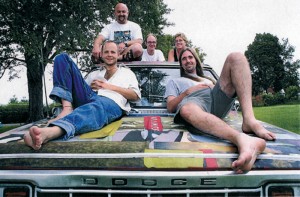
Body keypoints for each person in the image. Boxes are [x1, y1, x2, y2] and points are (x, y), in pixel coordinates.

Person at [164, 48, 276, 173]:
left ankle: (249, 120)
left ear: (196, 60)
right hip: (195, 102)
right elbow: (170, 106)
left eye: (190, 57)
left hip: (214, 97)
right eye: (183, 59)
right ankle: (242, 140)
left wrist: (212, 86)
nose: (187, 60)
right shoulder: (174, 81)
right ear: (181, 64)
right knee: (186, 110)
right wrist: (187, 92)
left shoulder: (208, 78)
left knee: (236, 57)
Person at [23, 41, 141, 150]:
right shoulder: (94, 73)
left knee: (95, 107)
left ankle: (52, 132)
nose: (109, 54)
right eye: (106, 52)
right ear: (101, 54)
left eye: (112, 52)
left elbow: (134, 95)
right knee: (61, 58)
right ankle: (67, 108)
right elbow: (78, 89)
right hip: (90, 97)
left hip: (111, 102)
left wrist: (107, 86)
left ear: (118, 54)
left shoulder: (127, 72)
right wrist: (90, 88)